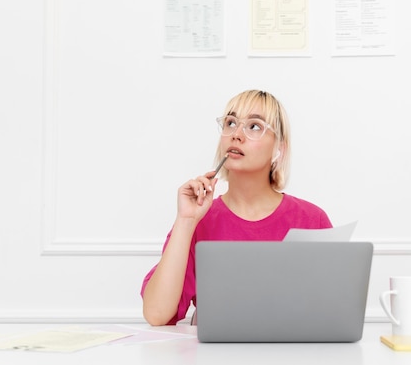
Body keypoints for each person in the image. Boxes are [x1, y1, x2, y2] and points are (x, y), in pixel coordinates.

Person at [141, 90, 333, 326]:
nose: (236, 135)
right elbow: (157, 314)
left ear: (278, 150)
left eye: (254, 126)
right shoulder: (199, 220)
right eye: (231, 123)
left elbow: (329, 311)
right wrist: (186, 221)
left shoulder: (312, 220)